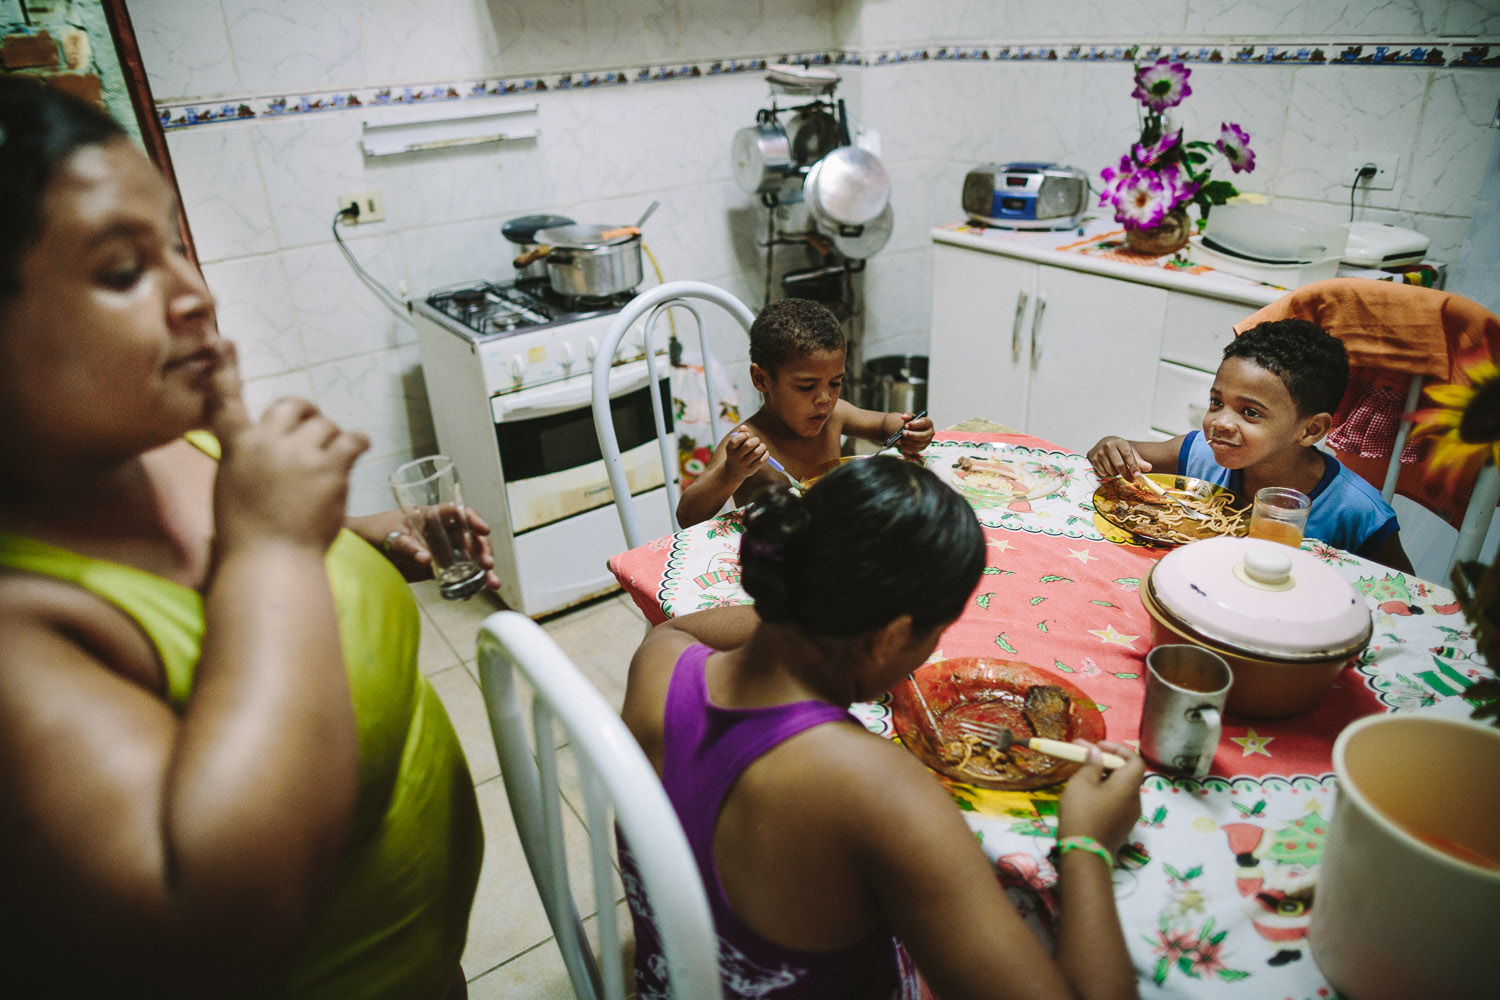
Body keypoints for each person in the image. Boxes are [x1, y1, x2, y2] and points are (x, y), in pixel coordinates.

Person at [0, 76, 491, 997]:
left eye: (178, 245)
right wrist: (271, 546)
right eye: (121, 271)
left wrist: (363, 536)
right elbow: (214, 927)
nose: (193, 293)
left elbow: (222, 579)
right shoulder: (18, 628)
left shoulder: (146, 440)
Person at [622, 456, 1146, 1000]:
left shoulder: (660, 661)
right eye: (933, 636)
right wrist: (1088, 844)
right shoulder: (879, 790)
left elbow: (682, 626)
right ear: (892, 638)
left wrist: (819, 619)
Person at [1088, 318, 1413, 572]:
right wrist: (1111, 447)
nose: (1221, 422)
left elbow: (1405, 599)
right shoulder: (1203, 453)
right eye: (1216, 402)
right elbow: (1123, 453)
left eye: (1250, 412)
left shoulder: (1357, 512)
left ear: (1311, 429)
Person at [675, 297, 935, 527]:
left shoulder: (835, 416)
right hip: (777, 560)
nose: (825, 399)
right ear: (761, 379)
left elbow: (882, 425)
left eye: (835, 383)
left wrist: (906, 430)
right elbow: (688, 516)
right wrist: (732, 472)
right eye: (806, 386)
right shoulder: (749, 443)